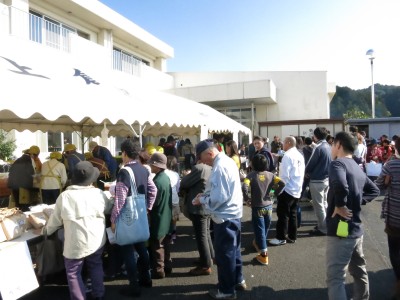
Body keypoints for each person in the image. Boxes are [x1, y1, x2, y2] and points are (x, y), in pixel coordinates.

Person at [44, 161, 112, 300]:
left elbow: (55, 222)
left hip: (75, 242)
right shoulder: (98, 193)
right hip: (96, 239)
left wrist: (46, 231)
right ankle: (98, 294)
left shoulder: (65, 196)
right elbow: (109, 209)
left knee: (73, 272)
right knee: (95, 264)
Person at [325, 131, 379, 300]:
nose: (332, 148)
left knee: (335, 277)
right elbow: (374, 190)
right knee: (359, 269)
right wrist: (355, 203)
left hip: (342, 228)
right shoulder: (356, 165)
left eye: (333, 144)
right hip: (356, 228)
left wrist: (341, 205)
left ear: (339, 145)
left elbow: (340, 184)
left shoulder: (337, 164)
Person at [192, 139, 246, 299]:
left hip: (224, 217)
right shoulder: (227, 161)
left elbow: (219, 197)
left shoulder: (220, 167)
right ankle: (238, 280)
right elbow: (222, 191)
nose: (203, 163)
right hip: (233, 213)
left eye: (202, 159)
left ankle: (227, 291)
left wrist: (201, 200)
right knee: (234, 251)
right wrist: (206, 195)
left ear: (209, 153)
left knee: (225, 255)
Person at [110, 139, 156, 297]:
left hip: (127, 216)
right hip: (141, 212)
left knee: (127, 249)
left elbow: (120, 198)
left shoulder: (124, 171)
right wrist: (148, 207)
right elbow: (153, 189)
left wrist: (113, 219)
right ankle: (146, 278)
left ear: (124, 153)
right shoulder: (144, 169)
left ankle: (134, 285)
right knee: (141, 247)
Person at [242, 154, 285, 265]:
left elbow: (244, 187)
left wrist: (247, 199)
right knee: (265, 228)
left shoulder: (250, 176)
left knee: (259, 229)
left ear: (253, 164)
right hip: (269, 206)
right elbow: (282, 183)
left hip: (257, 207)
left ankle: (263, 254)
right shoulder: (271, 175)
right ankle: (259, 243)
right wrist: (275, 194)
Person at [180, 159, 214, 276]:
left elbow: (184, 183)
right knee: (206, 233)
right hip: (207, 205)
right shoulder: (210, 167)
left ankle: (205, 265)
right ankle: (210, 257)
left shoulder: (199, 168)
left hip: (199, 207)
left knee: (201, 236)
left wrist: (186, 175)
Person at [375, 137, 400, 298]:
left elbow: (377, 185)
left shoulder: (391, 165)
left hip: (395, 216)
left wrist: (386, 181)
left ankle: (398, 279)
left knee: (395, 250)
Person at [269, 136, 305, 246]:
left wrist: (276, 191)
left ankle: (281, 237)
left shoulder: (287, 156)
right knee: (293, 213)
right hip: (297, 188)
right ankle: (292, 236)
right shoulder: (299, 155)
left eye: (284, 142)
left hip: (287, 189)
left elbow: (284, 177)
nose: (282, 144)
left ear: (288, 143)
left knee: (283, 214)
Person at [148, 152, 173, 279]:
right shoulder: (165, 177)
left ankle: (159, 270)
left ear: (157, 166)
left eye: (152, 164)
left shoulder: (157, 181)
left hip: (158, 216)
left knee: (157, 244)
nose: (151, 166)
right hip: (167, 214)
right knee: (165, 242)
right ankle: (167, 266)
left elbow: (154, 202)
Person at [305, 127, 332, 236]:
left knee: (319, 206)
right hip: (327, 179)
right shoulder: (329, 146)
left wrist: (306, 172)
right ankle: (324, 224)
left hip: (317, 180)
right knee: (324, 204)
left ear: (315, 136)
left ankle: (323, 228)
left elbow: (310, 163)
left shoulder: (318, 147)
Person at [165, 155, 181, 244]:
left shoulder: (163, 173)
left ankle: (167, 235)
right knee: (174, 218)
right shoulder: (176, 174)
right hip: (174, 198)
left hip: (165, 199)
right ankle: (173, 235)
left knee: (166, 218)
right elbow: (178, 188)